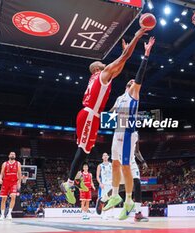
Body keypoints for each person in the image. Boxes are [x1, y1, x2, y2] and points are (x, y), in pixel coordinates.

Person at [60, 23, 150, 205]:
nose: (105, 63)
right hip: (89, 115)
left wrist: (124, 57)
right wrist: (138, 35)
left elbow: (119, 65)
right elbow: (123, 59)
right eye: (102, 63)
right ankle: (69, 183)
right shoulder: (101, 74)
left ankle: (75, 178)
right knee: (82, 149)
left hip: (89, 115)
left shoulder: (101, 77)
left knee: (85, 149)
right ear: (96, 69)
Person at [103, 37, 155, 220]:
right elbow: (109, 115)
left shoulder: (134, 93)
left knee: (126, 167)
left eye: (135, 82)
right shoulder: (120, 98)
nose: (134, 81)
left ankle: (129, 201)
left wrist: (146, 55)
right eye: (131, 81)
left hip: (127, 134)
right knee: (116, 164)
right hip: (117, 133)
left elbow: (140, 75)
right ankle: (116, 194)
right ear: (127, 85)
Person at [0, 152, 22, 220]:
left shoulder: (18, 163)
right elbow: (1, 173)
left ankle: (9, 214)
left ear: (15, 156)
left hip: (14, 182)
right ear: (9, 155)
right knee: (4, 199)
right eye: (11, 154)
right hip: (5, 182)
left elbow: (20, 174)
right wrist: (0, 179)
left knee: (13, 197)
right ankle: (2, 215)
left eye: (14, 154)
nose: (12, 155)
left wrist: (19, 183)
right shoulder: (5, 163)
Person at [96, 153, 113, 219]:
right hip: (104, 185)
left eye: (106, 155)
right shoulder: (100, 166)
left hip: (111, 184)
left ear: (108, 157)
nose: (105, 156)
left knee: (111, 199)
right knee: (103, 199)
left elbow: (114, 174)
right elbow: (97, 176)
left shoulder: (111, 165)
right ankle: (104, 214)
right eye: (104, 155)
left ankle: (111, 213)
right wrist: (100, 183)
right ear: (102, 157)